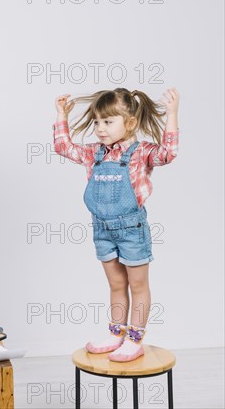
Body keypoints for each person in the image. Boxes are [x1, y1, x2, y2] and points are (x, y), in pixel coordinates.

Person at [53, 88, 179, 362]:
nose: (99, 128)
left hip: (132, 229)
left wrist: (171, 115)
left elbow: (168, 153)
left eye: (108, 122)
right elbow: (64, 147)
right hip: (102, 229)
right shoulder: (94, 154)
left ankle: (135, 339)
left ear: (130, 122)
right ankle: (116, 333)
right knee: (116, 283)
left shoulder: (141, 152)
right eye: (97, 122)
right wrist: (61, 116)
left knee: (138, 284)